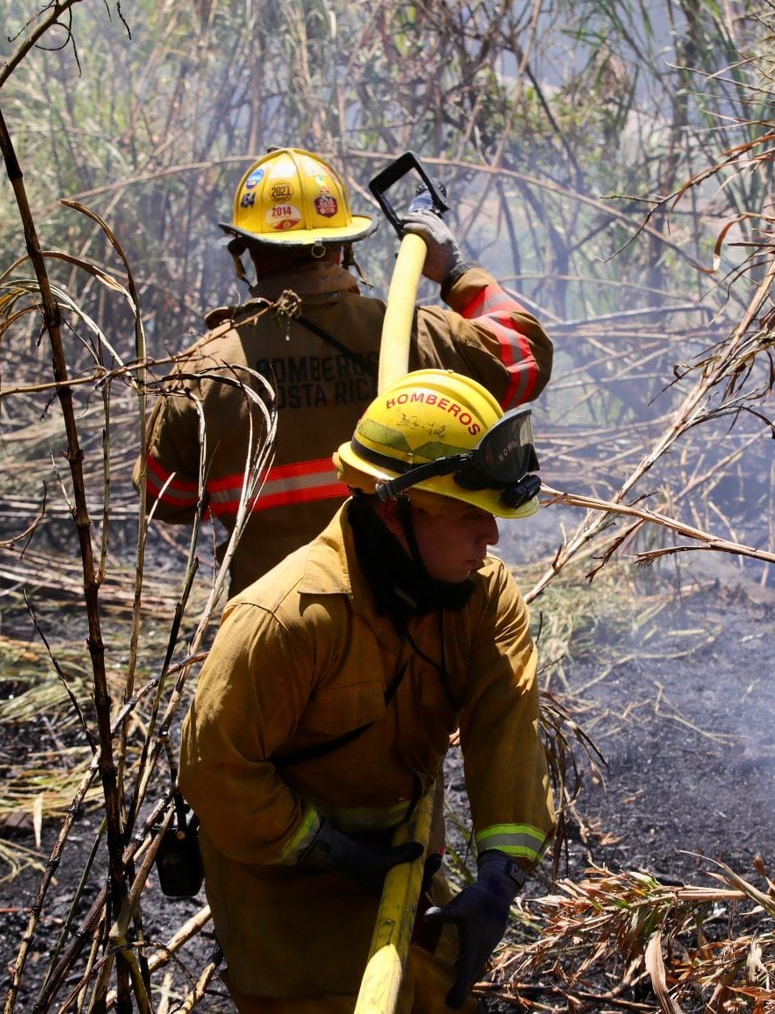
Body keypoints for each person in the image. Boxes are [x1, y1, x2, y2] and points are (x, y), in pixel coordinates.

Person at [178, 369, 556, 1013]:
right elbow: (218, 770)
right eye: (469, 515)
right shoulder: (289, 618)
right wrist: (327, 848)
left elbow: (507, 733)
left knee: (437, 995)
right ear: (391, 504)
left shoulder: (483, 597)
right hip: (281, 875)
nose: (490, 538)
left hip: (402, 852)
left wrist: (499, 876)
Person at [135, 147, 553, 591]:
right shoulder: (415, 337)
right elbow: (525, 357)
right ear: (344, 248)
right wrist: (454, 270)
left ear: (247, 253)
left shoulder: (205, 373)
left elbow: (165, 497)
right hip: (411, 617)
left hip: (277, 627)